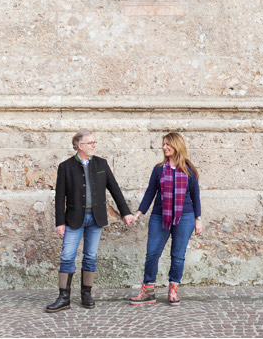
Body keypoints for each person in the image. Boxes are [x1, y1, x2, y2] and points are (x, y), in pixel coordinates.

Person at [46, 130, 135, 313]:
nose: (94, 145)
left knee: (90, 257)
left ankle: (86, 294)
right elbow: (59, 196)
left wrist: (125, 212)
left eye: (95, 142)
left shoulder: (101, 164)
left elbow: (114, 190)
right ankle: (64, 297)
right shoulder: (66, 166)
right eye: (91, 142)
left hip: (96, 218)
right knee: (67, 256)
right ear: (80, 146)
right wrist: (59, 222)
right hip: (73, 219)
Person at [129, 132, 203, 307]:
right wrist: (138, 214)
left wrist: (198, 219)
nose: (164, 148)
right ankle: (148, 292)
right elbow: (150, 193)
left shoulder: (189, 170)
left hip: (185, 217)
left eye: (167, 144)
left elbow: (196, 197)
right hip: (159, 215)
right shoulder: (159, 169)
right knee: (152, 253)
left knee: (178, 256)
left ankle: (173, 290)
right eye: (163, 145)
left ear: (177, 145)